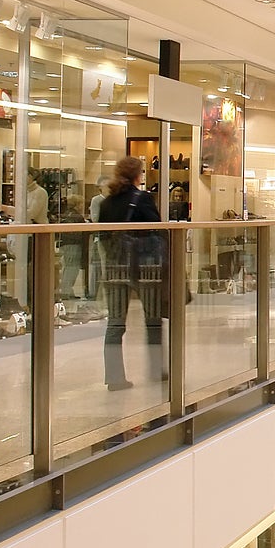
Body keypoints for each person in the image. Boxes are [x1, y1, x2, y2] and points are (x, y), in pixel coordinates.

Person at [97, 155, 164, 391]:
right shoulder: (143, 198)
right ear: (138, 175)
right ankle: (157, 370)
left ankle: (114, 378)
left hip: (115, 267)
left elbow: (102, 236)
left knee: (115, 323)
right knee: (153, 320)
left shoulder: (106, 202)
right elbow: (157, 230)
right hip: (145, 268)